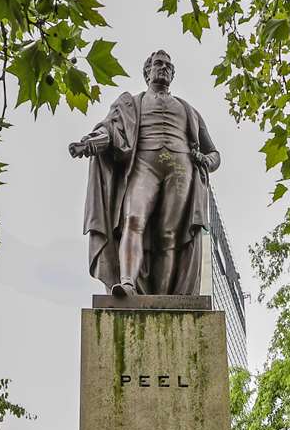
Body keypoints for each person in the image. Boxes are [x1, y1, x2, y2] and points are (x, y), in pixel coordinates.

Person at [69, 48, 221, 297]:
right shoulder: (131, 104)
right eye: (158, 64)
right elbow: (111, 131)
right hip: (143, 166)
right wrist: (90, 143)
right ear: (147, 72)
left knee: (169, 235)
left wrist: (205, 160)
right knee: (132, 220)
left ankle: (163, 298)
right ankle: (127, 284)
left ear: (172, 74)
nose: (163, 68)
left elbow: (214, 154)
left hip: (180, 169)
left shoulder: (189, 111)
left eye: (168, 66)